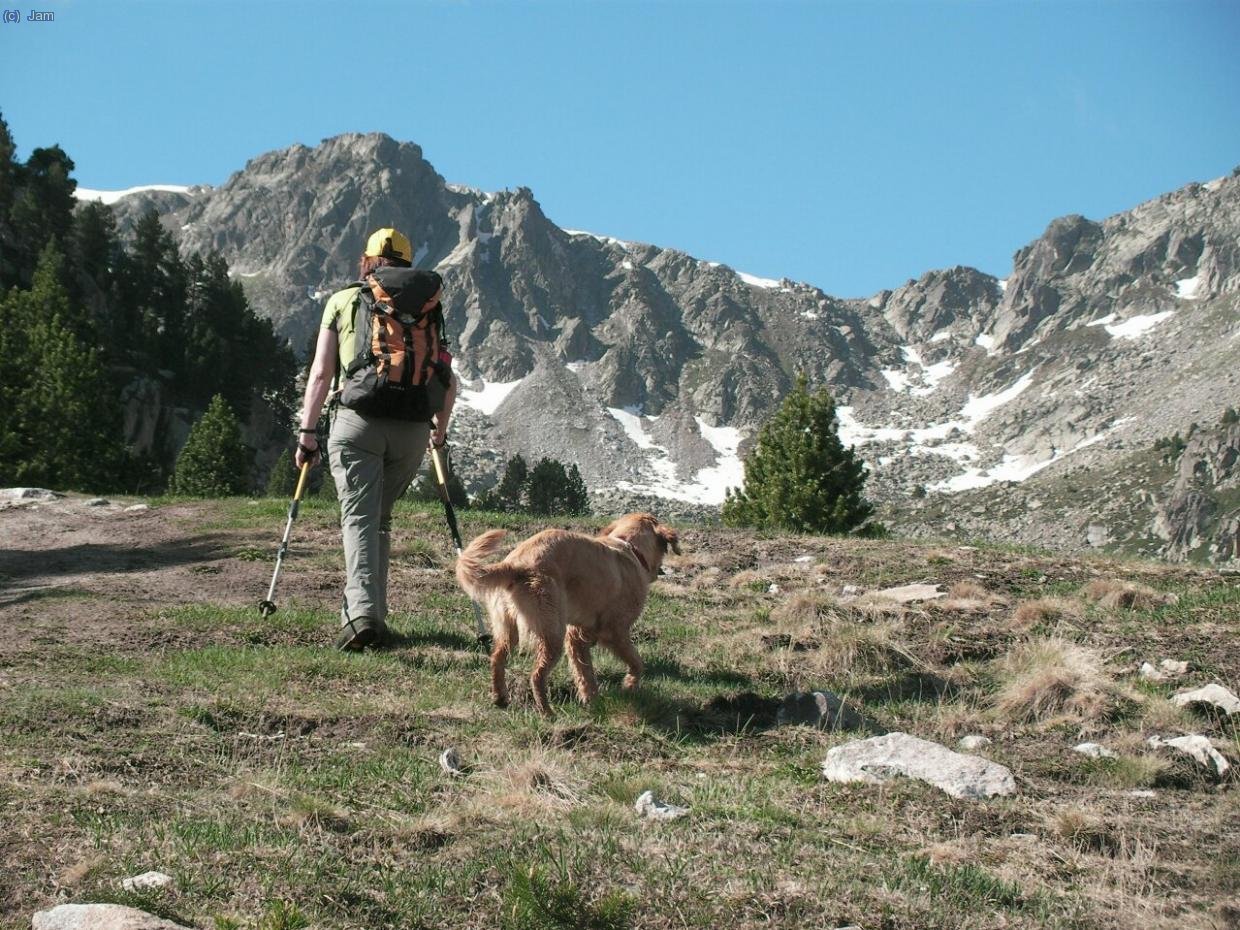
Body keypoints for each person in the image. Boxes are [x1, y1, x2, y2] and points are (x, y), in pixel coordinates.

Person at [295, 228, 458, 650]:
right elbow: (445, 373)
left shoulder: (344, 300)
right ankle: (374, 617)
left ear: (367, 261)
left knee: (359, 518)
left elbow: (320, 375)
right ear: (407, 264)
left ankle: (361, 615)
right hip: (412, 427)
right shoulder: (428, 305)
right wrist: (439, 427)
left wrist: (307, 433)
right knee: (380, 520)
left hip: (358, 423)